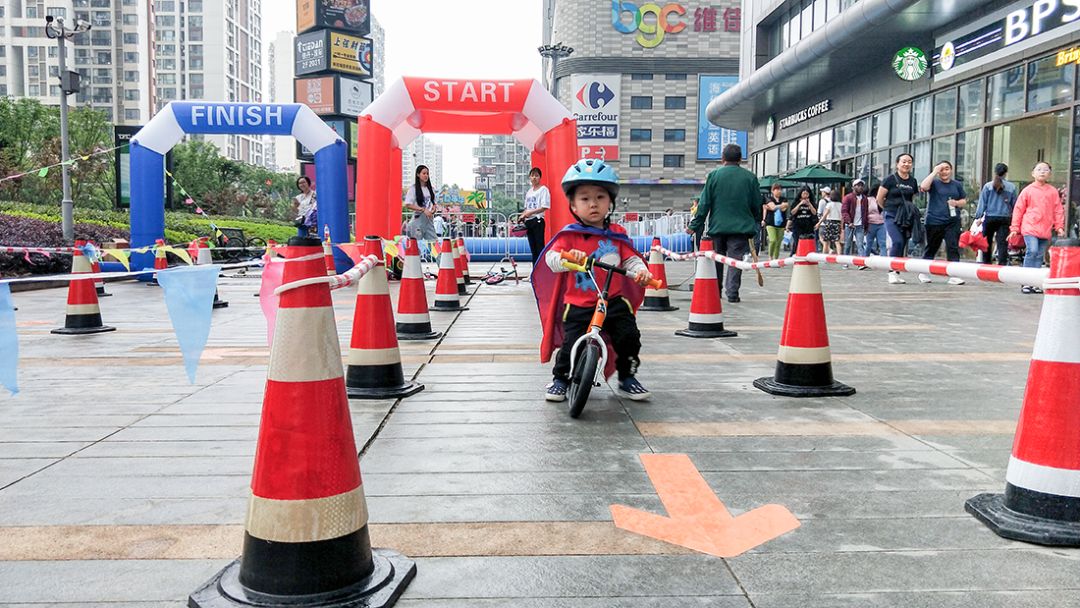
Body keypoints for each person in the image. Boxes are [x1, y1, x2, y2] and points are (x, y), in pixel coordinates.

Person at [532, 158, 653, 402]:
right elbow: (551, 259)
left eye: (600, 197)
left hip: (614, 302)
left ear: (610, 202)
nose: (593, 204)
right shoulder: (570, 234)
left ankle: (627, 377)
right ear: (573, 206)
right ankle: (560, 379)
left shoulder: (617, 234)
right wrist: (567, 258)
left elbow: (630, 259)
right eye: (585, 198)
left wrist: (642, 271)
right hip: (578, 303)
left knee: (628, 337)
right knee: (570, 343)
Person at [687, 143, 762, 303]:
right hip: (741, 228)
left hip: (718, 227)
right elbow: (757, 204)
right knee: (735, 260)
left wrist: (694, 226)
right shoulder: (750, 178)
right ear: (740, 159)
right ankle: (732, 292)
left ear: (722, 158)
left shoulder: (714, 176)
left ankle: (716, 290)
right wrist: (755, 221)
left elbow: (704, 203)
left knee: (717, 259)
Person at [1010, 161, 1066, 294]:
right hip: (1030, 227)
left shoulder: (1052, 191)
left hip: (1045, 229)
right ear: (1033, 173)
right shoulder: (1028, 190)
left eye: (1045, 170)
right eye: (1039, 169)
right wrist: (1014, 228)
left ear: (1049, 174)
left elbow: (1058, 210)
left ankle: (1034, 283)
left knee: (1040, 255)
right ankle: (1026, 282)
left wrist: (1059, 226)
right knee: (1032, 251)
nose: (1042, 172)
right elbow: (1018, 209)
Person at [917, 161, 967, 285]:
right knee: (932, 246)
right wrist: (934, 172)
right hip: (934, 220)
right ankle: (923, 271)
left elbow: (964, 200)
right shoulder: (934, 183)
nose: (944, 172)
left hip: (952, 221)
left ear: (951, 170)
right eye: (941, 169)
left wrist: (956, 203)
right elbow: (923, 186)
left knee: (952, 247)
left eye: (947, 169)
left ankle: (954, 274)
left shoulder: (957, 185)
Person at [875, 153, 919, 284]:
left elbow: (912, 198)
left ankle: (897, 272)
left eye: (909, 162)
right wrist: (888, 209)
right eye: (904, 161)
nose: (906, 164)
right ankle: (892, 271)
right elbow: (879, 198)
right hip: (891, 215)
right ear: (897, 164)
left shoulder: (913, 181)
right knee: (897, 241)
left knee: (903, 243)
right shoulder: (890, 179)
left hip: (906, 217)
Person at [975, 163, 1017, 266]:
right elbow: (1015, 204)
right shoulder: (1011, 187)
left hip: (990, 217)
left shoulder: (988, 186)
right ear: (1006, 173)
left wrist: (978, 216)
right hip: (1005, 218)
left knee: (987, 241)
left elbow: (982, 203)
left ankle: (986, 263)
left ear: (995, 172)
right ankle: (1001, 264)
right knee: (1002, 243)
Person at [404, 165, 439, 255]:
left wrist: (434, 208)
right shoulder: (413, 188)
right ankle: (413, 268)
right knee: (415, 248)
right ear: (418, 174)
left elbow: (434, 203)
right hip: (417, 220)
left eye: (427, 173)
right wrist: (423, 210)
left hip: (429, 221)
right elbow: (407, 204)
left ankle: (442, 267)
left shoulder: (431, 189)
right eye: (423, 173)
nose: (426, 175)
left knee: (435, 245)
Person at [520, 167, 551, 266]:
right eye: (532, 175)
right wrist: (523, 215)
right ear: (529, 177)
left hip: (537, 221)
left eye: (536, 175)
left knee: (539, 248)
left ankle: (542, 272)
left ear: (540, 177)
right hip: (529, 221)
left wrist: (530, 213)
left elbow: (544, 207)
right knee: (533, 249)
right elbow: (526, 208)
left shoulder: (543, 190)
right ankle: (534, 272)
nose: (534, 178)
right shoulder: (529, 192)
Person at [842, 179, 870, 259]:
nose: (860, 187)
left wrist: (866, 226)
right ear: (853, 187)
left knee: (860, 244)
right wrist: (849, 222)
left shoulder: (865, 199)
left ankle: (862, 263)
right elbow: (844, 211)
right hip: (850, 225)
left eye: (861, 185)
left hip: (860, 225)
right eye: (858, 185)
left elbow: (866, 212)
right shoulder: (848, 198)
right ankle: (845, 262)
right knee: (847, 245)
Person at [786, 187, 818, 255]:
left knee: (808, 240)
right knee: (796, 240)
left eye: (807, 193)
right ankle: (794, 253)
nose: (805, 195)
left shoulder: (811, 202)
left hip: (808, 224)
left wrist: (809, 204)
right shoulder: (796, 202)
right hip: (797, 224)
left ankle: (805, 253)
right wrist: (800, 204)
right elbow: (792, 212)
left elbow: (814, 212)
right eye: (804, 193)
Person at [762, 183, 788, 260]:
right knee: (773, 240)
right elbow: (773, 207)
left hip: (781, 223)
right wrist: (779, 206)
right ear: (772, 191)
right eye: (777, 189)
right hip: (770, 223)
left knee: (778, 242)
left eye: (780, 189)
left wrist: (771, 207)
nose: (779, 191)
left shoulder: (784, 199)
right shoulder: (768, 198)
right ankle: (770, 256)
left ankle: (776, 258)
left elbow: (784, 208)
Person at [816, 189, 843, 255]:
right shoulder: (841, 205)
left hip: (829, 222)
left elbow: (825, 215)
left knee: (826, 241)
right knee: (837, 241)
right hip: (837, 223)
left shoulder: (829, 204)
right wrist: (842, 226)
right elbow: (842, 217)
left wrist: (819, 223)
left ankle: (824, 257)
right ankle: (839, 256)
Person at [864, 183, 886, 259]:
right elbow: (865, 211)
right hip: (871, 224)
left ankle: (884, 261)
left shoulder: (884, 199)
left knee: (883, 243)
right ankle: (864, 261)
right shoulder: (868, 200)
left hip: (882, 224)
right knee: (868, 244)